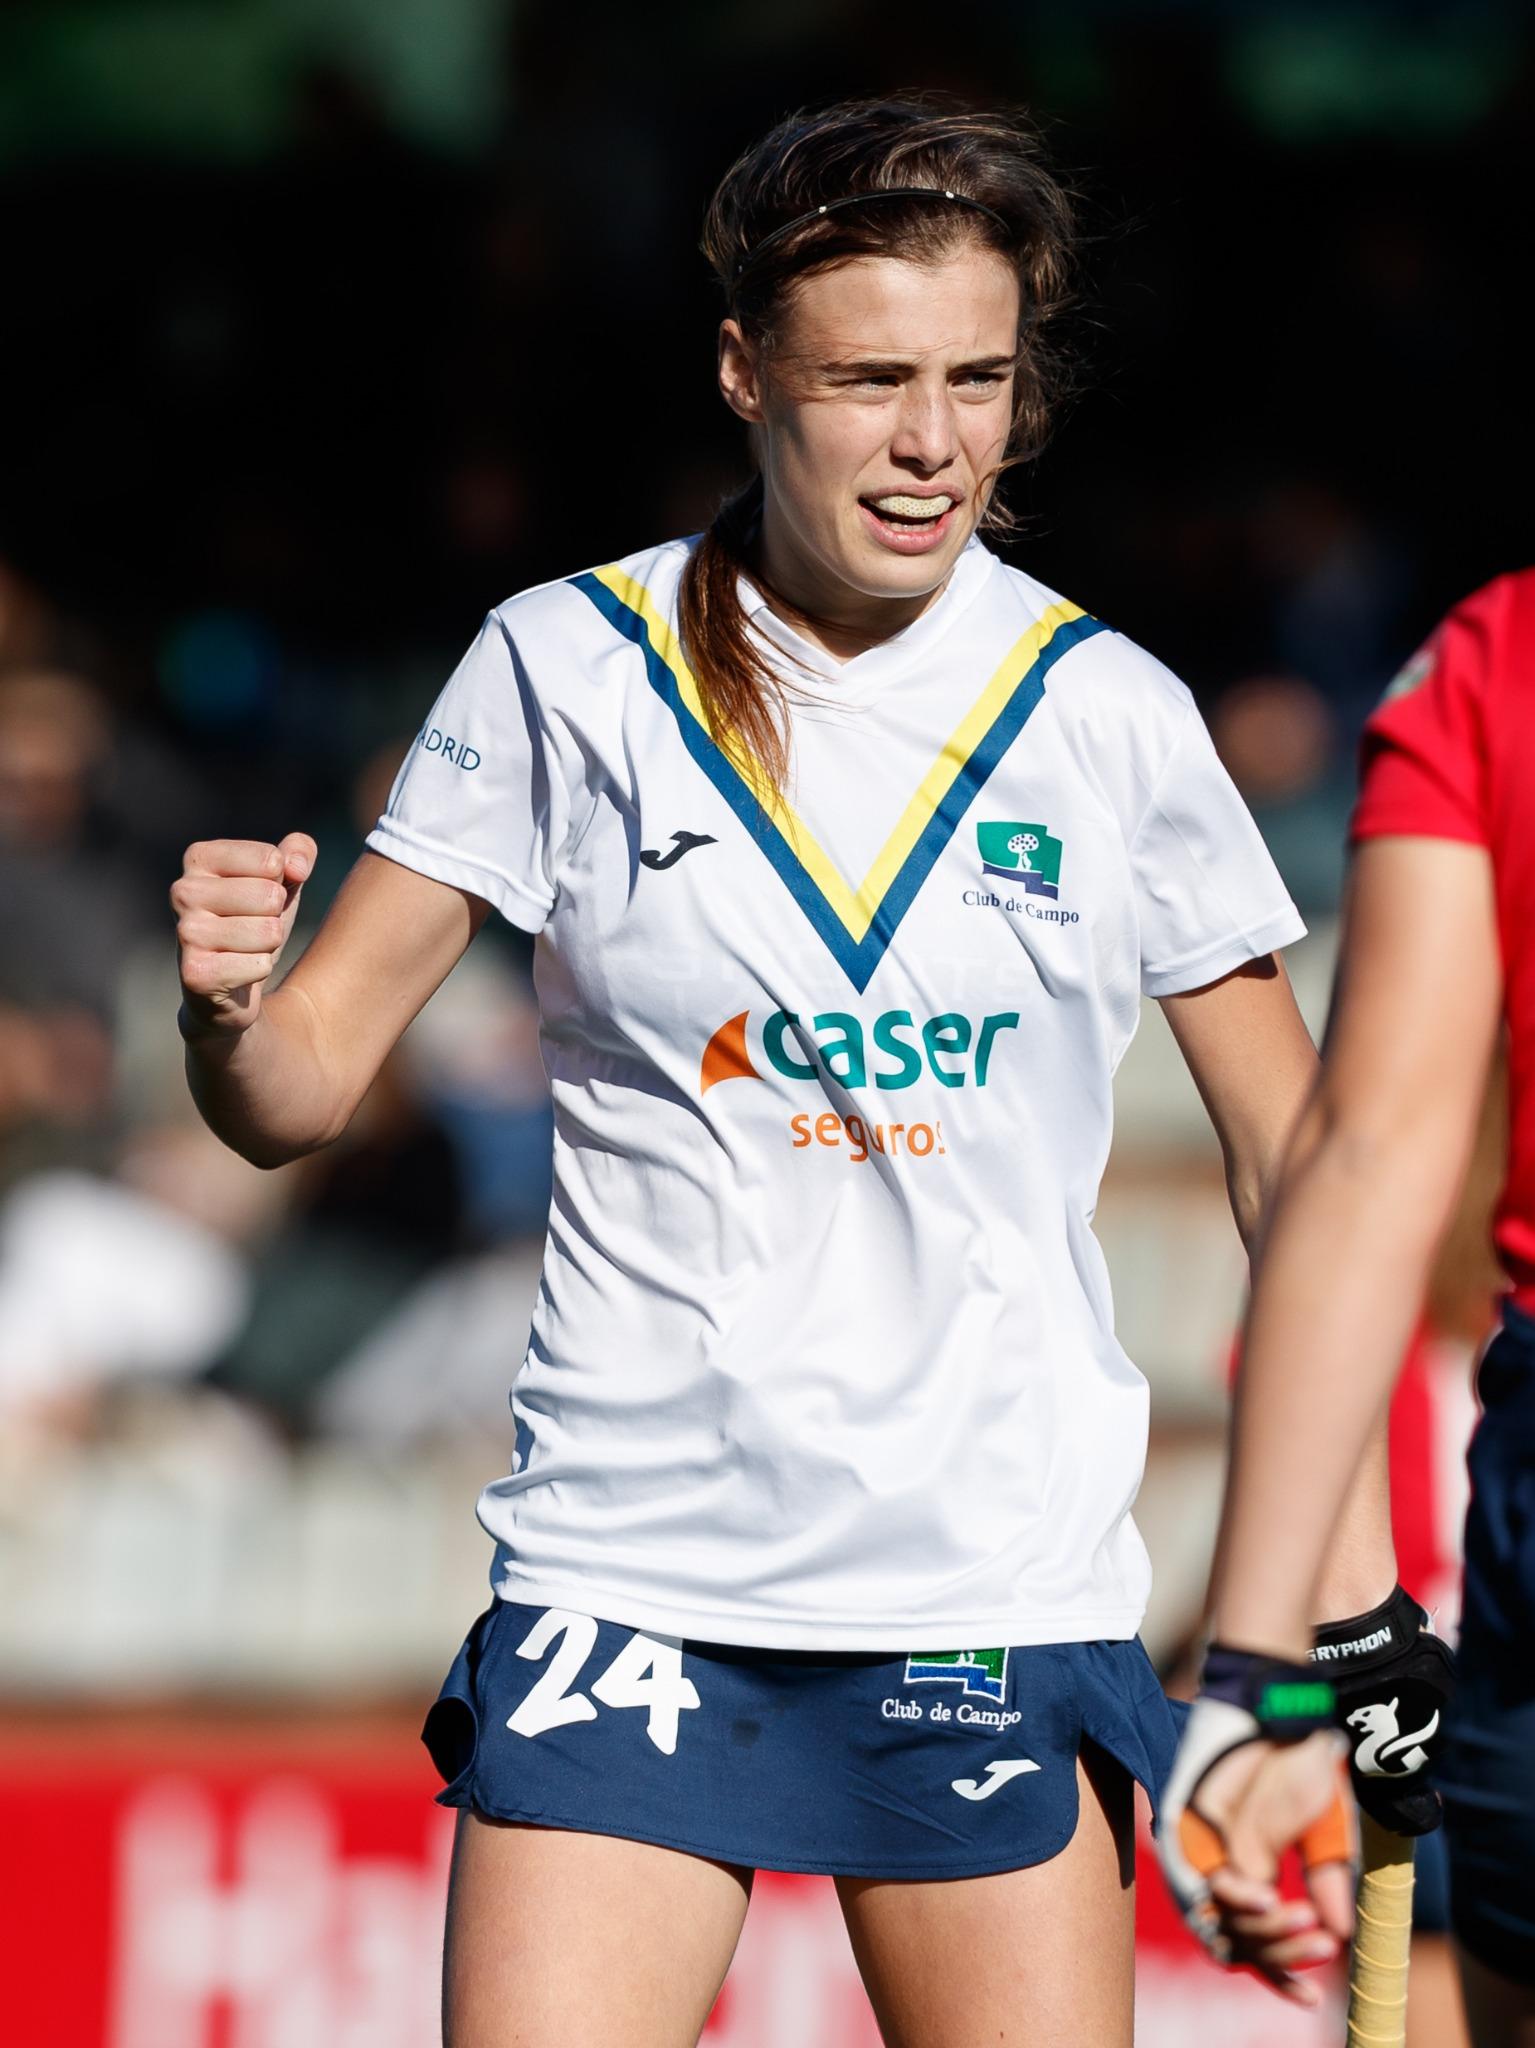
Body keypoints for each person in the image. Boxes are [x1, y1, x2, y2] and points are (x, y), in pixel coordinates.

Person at [176, 96, 1379, 2046]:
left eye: (976, 381)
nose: (933, 442)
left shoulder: (1114, 716)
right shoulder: (561, 667)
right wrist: (231, 1014)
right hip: (631, 1581)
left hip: (987, 1590)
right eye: (872, 381)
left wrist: (1352, 1608)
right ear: (745, 371)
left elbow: (1305, 1174)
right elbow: (300, 1087)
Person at [1156, 570, 1534, 2047]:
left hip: (1412, 1707)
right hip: (1420, 1705)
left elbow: (1363, 1161)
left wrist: (1259, 1686)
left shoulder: (1484, 662)